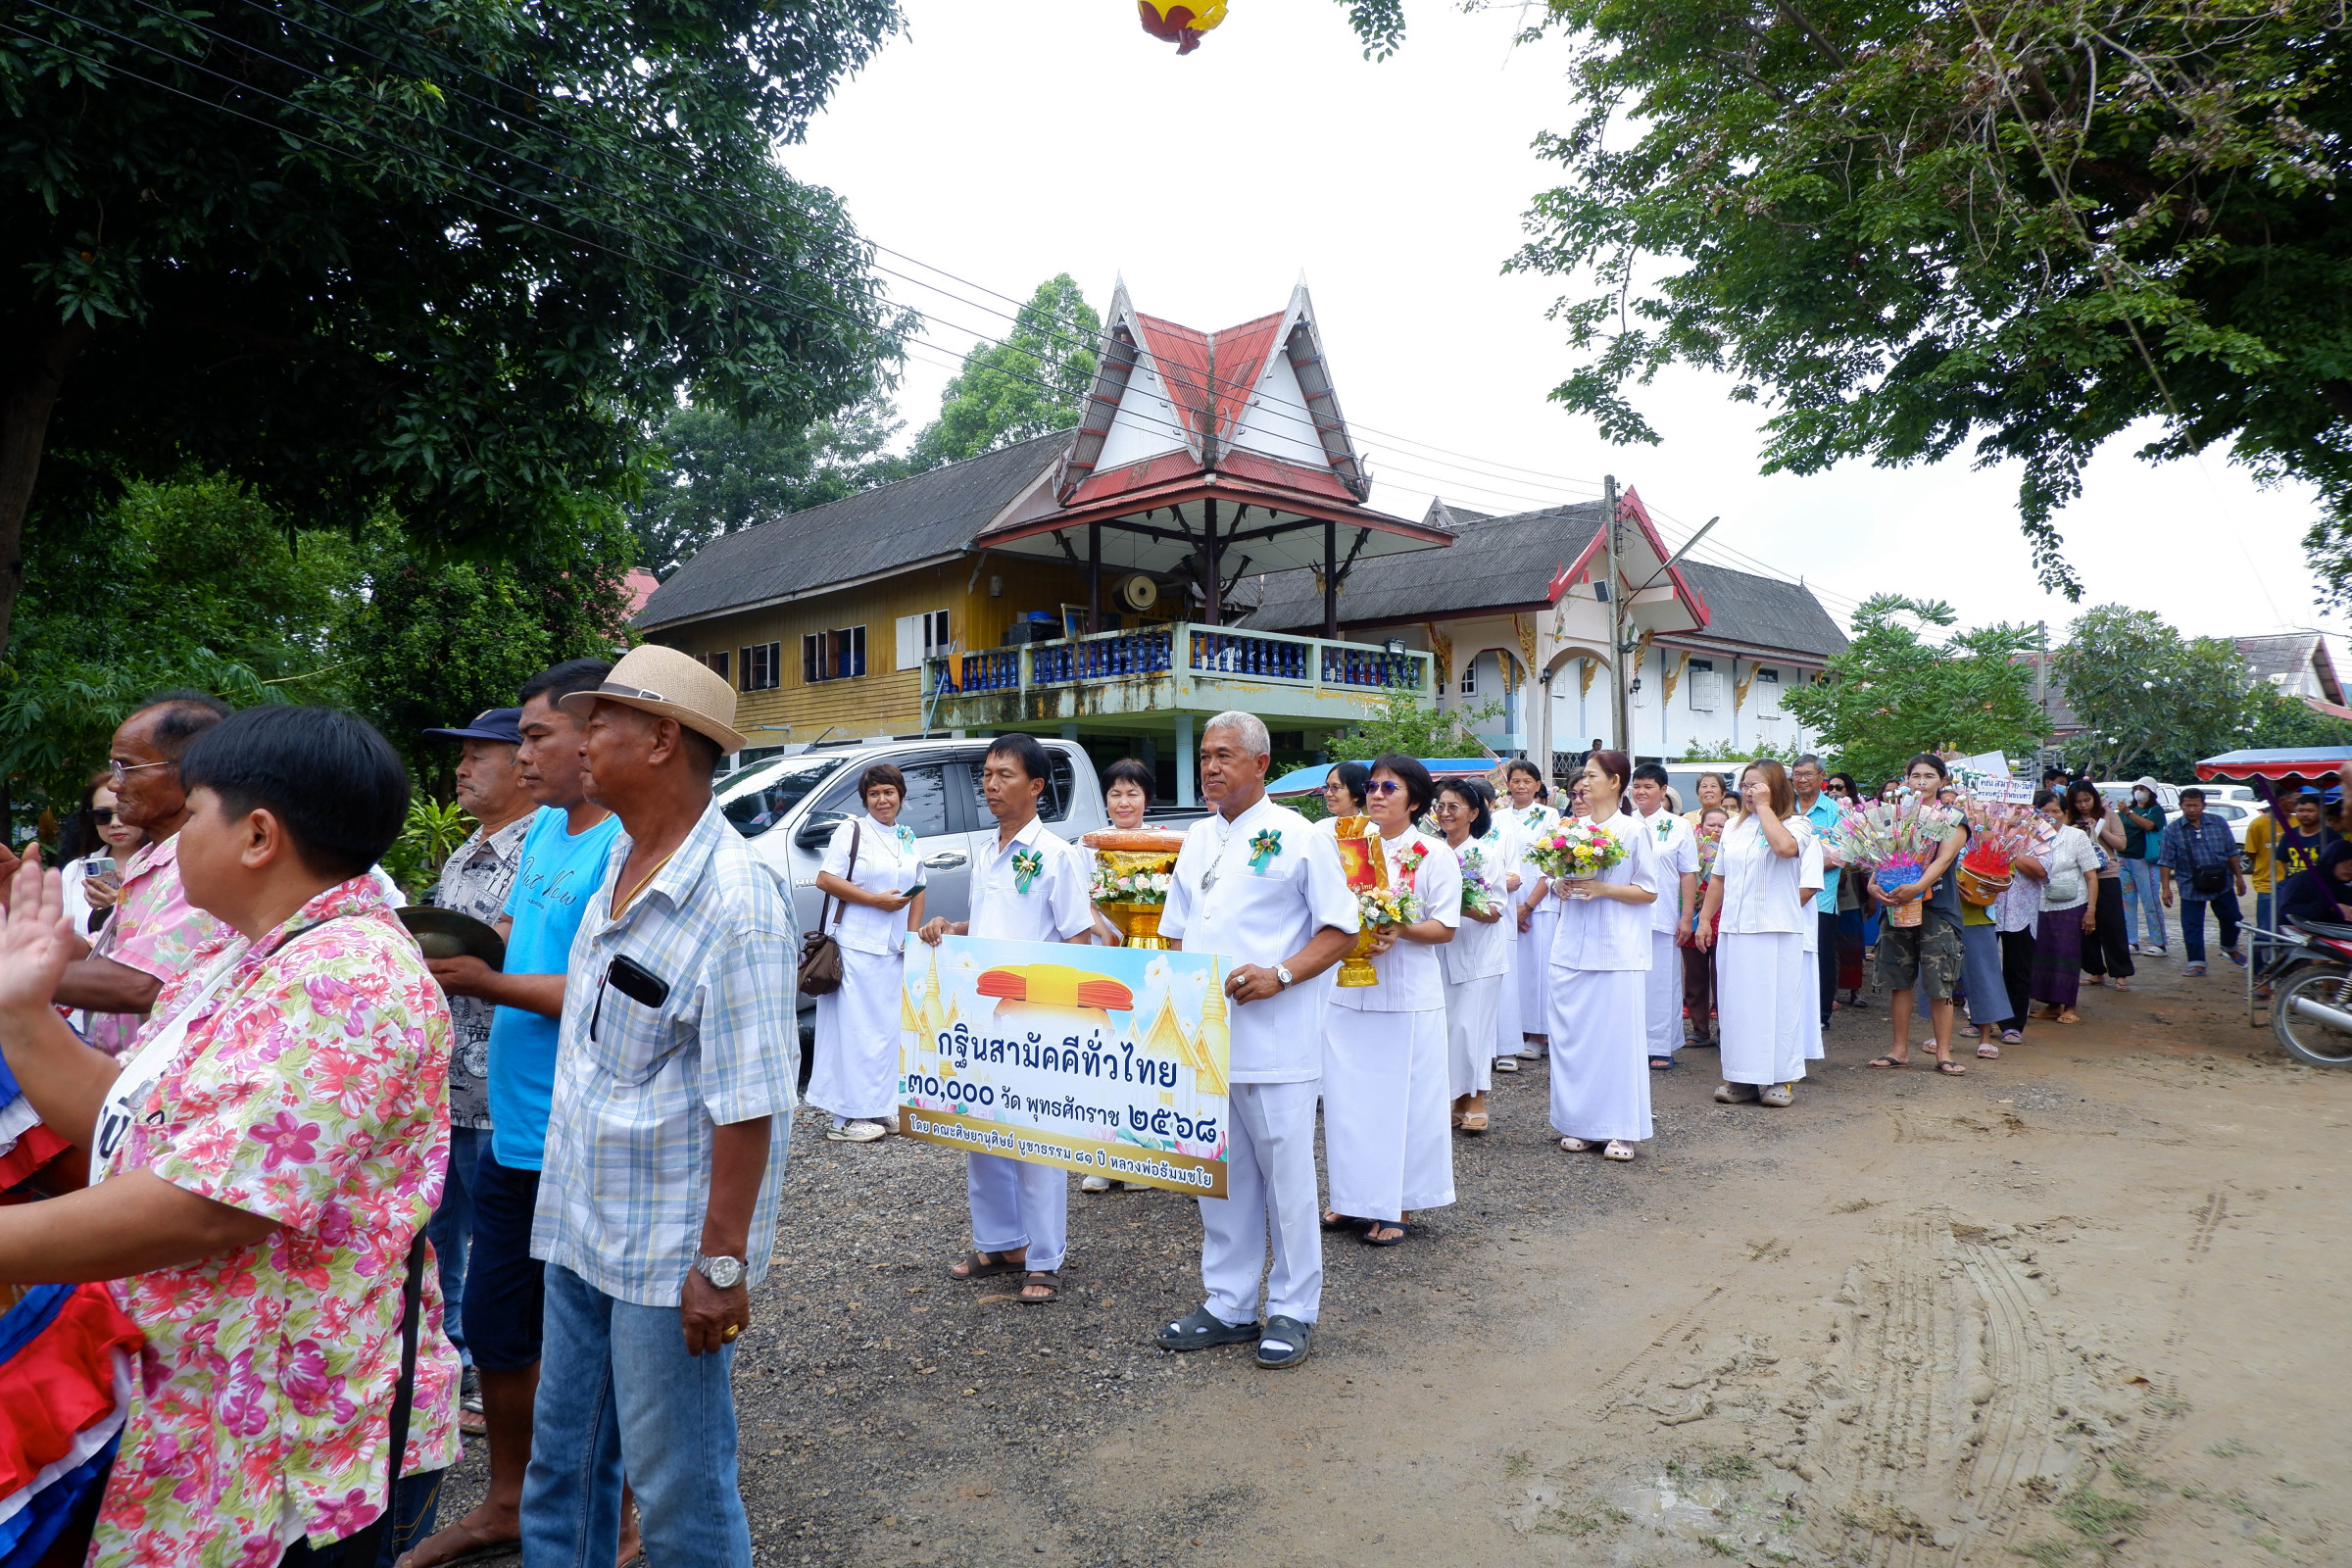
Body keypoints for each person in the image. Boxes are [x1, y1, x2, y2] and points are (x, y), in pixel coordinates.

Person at [0, 705, 459, 1566]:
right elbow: (134, 1121)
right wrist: (21, 1009)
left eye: (193, 814)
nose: (169, 845)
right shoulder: (256, 955)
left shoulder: (344, 978)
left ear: (256, 836)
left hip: (290, 1445)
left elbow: (210, 1207)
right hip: (209, 1411)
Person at [516, 645, 798, 1568]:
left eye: (600, 721)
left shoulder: (736, 898)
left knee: (681, 1491)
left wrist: (719, 1266)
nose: (582, 738)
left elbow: (751, 1102)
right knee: (563, 1465)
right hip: (582, 1222)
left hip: (662, 1250)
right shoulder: (623, 861)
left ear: (664, 738)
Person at [404, 662, 634, 1568]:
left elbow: (613, 984)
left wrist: (490, 982)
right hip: (507, 1126)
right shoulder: (540, 830)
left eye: (536, 736)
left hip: (579, 1130)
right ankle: (508, 1500)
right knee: (499, 1328)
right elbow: (529, 945)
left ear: (595, 737)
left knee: (592, 1336)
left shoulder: (622, 842)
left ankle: (615, 1514)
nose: (521, 753)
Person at [1152, 712, 1356, 1369]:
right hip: (1212, 1043)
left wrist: (1282, 974)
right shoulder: (1195, 839)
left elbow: (1341, 929)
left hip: (1276, 1041)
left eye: (1225, 756)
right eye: (1206, 756)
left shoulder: (1299, 836)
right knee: (1225, 1178)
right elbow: (1176, 932)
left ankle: (1294, 1308)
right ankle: (1231, 1303)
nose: (1210, 767)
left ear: (1260, 764)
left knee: (1287, 1179)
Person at [919, 734, 1092, 1305]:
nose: (990, 785)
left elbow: (1079, 939)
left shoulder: (1056, 856)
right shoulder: (988, 851)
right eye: (987, 775)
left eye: (1004, 775)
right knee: (982, 1127)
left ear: (1036, 786)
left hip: (1034, 1017)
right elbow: (992, 924)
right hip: (981, 1013)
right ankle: (1000, 1242)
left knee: (1038, 1137)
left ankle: (1043, 1257)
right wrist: (949, 929)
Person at [417, 706, 535, 1435]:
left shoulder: (540, 853)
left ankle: (498, 1380)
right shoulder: (465, 853)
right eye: (459, 755)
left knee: (497, 1251)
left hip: (499, 1090)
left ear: (523, 764)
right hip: (446, 1087)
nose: (461, 769)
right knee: (434, 1238)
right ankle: (450, 1363)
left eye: (478, 755)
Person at [4, 693, 232, 1056]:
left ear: (188, 770)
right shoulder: (149, 858)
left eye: (125, 767)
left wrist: (13, 975)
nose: (113, 784)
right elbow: (103, 957)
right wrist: (20, 909)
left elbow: (142, 983)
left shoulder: (205, 862)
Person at [1321, 753, 1458, 1245]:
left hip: (1406, 993)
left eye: (1389, 788)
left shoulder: (1433, 853)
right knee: (1349, 1099)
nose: (1376, 795)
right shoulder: (1344, 844)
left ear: (1414, 800)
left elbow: (1444, 926)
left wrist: (1398, 928)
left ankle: (1396, 1202)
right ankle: (1353, 1197)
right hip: (1348, 988)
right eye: (1374, 786)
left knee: (1403, 1101)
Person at [1544, 750, 1659, 1160]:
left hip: (1616, 950)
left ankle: (1621, 1129)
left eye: (1593, 776)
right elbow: (1557, 876)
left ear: (1615, 782)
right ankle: (1581, 1123)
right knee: (1574, 1038)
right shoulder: (1569, 829)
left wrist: (1604, 888)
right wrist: (1560, 885)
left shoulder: (1632, 830)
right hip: (1571, 945)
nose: (1584, 783)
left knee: (1615, 1042)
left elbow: (1648, 890)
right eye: (1582, 777)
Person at [808, 763, 924, 1145]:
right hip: (856, 945)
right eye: (874, 794)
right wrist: (875, 901)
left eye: (888, 792)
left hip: (892, 947)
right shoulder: (852, 830)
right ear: (865, 799)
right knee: (855, 1031)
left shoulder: (907, 836)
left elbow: (919, 886)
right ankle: (844, 1117)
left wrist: (911, 936)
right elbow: (826, 879)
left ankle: (877, 1105)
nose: (882, 799)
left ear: (901, 796)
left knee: (886, 1030)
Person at [1696, 760, 1817, 1106]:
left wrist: (1765, 808)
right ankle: (1741, 1077)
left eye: (1757, 786)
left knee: (1776, 1005)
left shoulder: (1797, 824)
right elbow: (1718, 877)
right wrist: (1705, 919)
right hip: (1735, 928)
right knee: (1737, 1006)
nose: (1749, 792)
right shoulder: (1734, 827)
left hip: (1776, 929)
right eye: (1746, 786)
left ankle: (1781, 1079)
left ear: (1776, 788)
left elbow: (1784, 849)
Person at [1865, 754, 1968, 1075]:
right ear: (1906, 780)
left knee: (1940, 982)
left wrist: (1917, 888)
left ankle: (1943, 1052)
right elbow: (1878, 856)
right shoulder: (1894, 815)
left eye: (1929, 776)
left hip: (1937, 909)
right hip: (1897, 907)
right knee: (1898, 979)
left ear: (1942, 781)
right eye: (1915, 776)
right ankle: (1899, 1050)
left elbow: (1944, 859)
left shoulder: (1953, 816)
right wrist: (1872, 886)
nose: (1921, 782)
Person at [1434, 778, 1506, 1132]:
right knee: (1451, 1028)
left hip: (1479, 956)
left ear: (1473, 813)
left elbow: (1494, 910)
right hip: (1441, 952)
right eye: (1441, 806)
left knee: (1473, 1027)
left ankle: (1476, 1099)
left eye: (1453, 807)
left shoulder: (1484, 854)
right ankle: (1458, 1099)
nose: (1445, 813)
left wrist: (1456, 903)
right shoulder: (1432, 852)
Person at [1628, 763, 1698, 1070]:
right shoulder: (1621, 823)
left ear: (1662, 791)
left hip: (1663, 914)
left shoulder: (1678, 826)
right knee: (1628, 982)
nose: (1641, 792)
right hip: (1625, 914)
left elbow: (1688, 874)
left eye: (1648, 786)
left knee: (1660, 983)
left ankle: (1660, 1045)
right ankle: (1627, 1044)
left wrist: (1686, 916)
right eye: (1637, 786)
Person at [2029, 790, 2102, 1025]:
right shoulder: (2028, 836)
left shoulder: (2076, 837)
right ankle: (2051, 1005)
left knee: (2067, 955)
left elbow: (2091, 876)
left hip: (2071, 904)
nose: (2050, 816)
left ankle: (2070, 1006)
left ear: (2065, 813)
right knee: (2042, 955)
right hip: (2038, 903)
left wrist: (2091, 910)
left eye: (2055, 811)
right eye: (2044, 811)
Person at [1505, 759, 1561, 1068]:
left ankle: (1539, 1035)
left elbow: (1551, 861)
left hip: (1539, 905)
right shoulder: (1497, 818)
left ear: (1538, 785)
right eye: (1515, 780)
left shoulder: (1549, 815)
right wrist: (1507, 908)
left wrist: (1527, 907)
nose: (1521, 786)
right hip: (1503, 907)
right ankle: (1512, 1031)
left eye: (1527, 780)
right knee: (1513, 971)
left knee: (1538, 970)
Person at [1987, 805, 2057, 1051]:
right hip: (1985, 908)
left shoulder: (2039, 832)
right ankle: (1979, 1020)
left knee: (2018, 968)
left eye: (2020, 806)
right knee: (1983, 966)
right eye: (2009, 806)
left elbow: (2042, 870)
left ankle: (2013, 1025)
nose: (2014, 811)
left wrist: (2009, 850)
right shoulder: (1984, 826)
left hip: (2022, 912)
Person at [2159, 788, 2248, 976]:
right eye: (2187, 805)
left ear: (2204, 805)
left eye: (2195, 805)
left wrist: (2240, 877)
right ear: (2181, 806)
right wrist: (2166, 889)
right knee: (2192, 925)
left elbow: (2232, 852)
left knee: (2233, 918)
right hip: (2190, 884)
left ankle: (2229, 947)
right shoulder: (2172, 830)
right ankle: (2196, 962)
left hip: (2222, 882)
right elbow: (2165, 861)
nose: (2191, 809)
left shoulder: (2218, 823)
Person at [1789, 756, 1844, 1031]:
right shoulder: (1784, 808)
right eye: (1797, 774)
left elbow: (1844, 853)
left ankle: (1821, 1013)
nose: (1802, 779)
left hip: (1820, 895)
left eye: (1808, 774)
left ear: (1821, 776)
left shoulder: (1834, 810)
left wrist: (1806, 871)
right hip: (1785, 892)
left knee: (1821, 954)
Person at [2067, 781, 2135, 993]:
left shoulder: (2109, 815)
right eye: (2078, 802)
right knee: (2084, 927)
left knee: (2112, 925)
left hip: (2106, 875)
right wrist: (2075, 830)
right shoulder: (2069, 816)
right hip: (2080, 877)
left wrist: (2099, 827)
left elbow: (2122, 845)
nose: (2083, 805)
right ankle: (2095, 971)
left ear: (2095, 798)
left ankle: (2120, 973)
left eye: (2087, 800)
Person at [1686, 804, 1730, 1045]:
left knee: (1722, 976)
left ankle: (1727, 1030)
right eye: (1710, 825)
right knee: (1695, 975)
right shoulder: (1691, 849)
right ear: (1700, 827)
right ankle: (1700, 1029)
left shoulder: (1735, 849)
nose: (1716, 830)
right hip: (1694, 917)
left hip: (1723, 918)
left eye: (1721, 825)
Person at [2117, 778, 2168, 955]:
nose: (2139, 791)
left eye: (2143, 789)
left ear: (2151, 792)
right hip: (2124, 859)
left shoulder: (2155, 810)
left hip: (2145, 860)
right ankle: (2131, 941)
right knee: (2126, 903)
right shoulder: (2125, 812)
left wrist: (2128, 812)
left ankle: (2159, 943)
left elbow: (2150, 825)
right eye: (2137, 788)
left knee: (2150, 901)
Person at [2277, 838, 2352, 929]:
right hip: (2297, 938)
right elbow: (2286, 911)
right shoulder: (2304, 879)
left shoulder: (2343, 887)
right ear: (2332, 859)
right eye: (2344, 862)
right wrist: (2330, 907)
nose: (2349, 868)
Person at [1318, 760, 1369, 827]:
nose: (1328, 793)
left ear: (1356, 794)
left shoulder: (1373, 833)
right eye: (1326, 787)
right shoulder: (1320, 828)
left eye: (1335, 787)